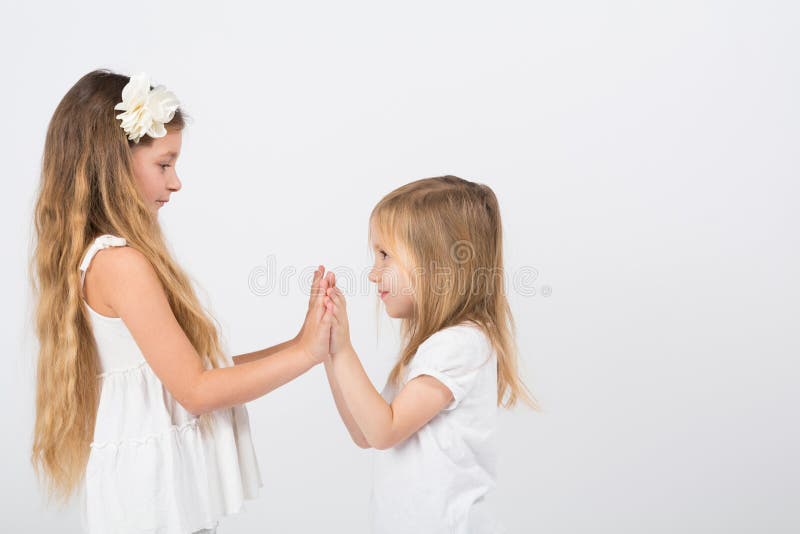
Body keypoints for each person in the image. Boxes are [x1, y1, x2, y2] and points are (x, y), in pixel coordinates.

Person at [29, 69, 334, 533]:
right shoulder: (120, 264)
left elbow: (193, 371)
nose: (176, 183)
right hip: (150, 502)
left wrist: (299, 343)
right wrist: (305, 355)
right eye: (164, 164)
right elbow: (195, 391)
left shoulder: (107, 259)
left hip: (153, 494)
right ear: (113, 163)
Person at [322, 176, 536, 533]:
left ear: (435, 264)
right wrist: (330, 352)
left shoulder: (462, 344)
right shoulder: (430, 350)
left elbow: (383, 431)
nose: (374, 273)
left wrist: (344, 350)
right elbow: (365, 432)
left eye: (385, 255)